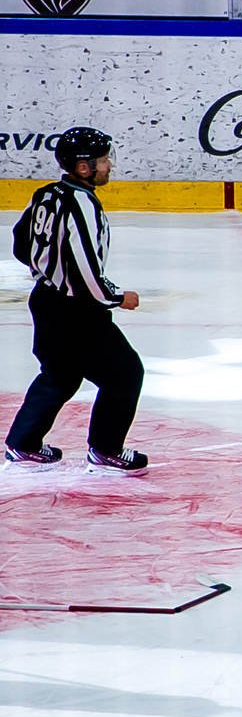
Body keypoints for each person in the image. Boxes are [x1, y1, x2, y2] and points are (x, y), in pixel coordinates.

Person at [5, 127, 148, 474]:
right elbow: (84, 268)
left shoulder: (46, 194)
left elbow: (20, 244)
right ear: (84, 167)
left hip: (46, 300)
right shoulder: (80, 203)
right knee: (125, 374)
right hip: (77, 310)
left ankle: (22, 443)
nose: (109, 166)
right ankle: (106, 448)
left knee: (60, 373)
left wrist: (47, 272)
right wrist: (115, 297)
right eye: (102, 160)